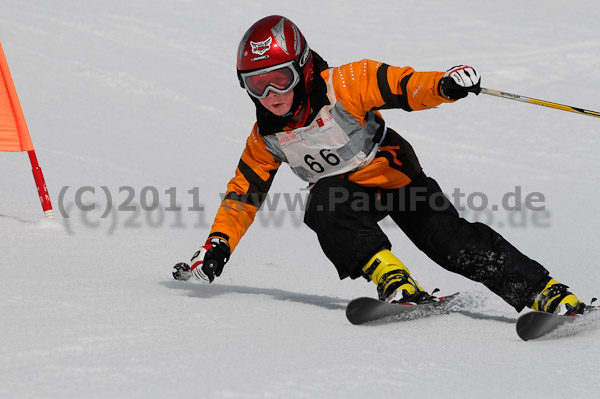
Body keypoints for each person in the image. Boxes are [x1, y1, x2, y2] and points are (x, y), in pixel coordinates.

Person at [180, 15, 587, 316]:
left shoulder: (345, 82)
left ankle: (546, 292)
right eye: (255, 83)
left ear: (303, 68)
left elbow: (405, 85)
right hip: (346, 197)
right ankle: (393, 280)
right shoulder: (266, 138)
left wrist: (444, 85)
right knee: (323, 202)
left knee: (453, 245)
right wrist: (218, 245)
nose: (270, 94)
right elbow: (243, 196)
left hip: (396, 176)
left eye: (280, 78)